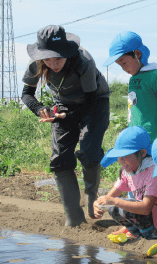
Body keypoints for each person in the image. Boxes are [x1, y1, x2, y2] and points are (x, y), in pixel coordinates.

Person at [21, 25, 110, 226]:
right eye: (48, 59)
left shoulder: (83, 61)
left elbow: (89, 100)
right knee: (59, 159)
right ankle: (74, 220)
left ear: (67, 54)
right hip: (63, 106)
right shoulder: (36, 64)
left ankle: (91, 200)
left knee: (89, 150)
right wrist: (40, 109)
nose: (53, 64)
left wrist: (66, 115)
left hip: (95, 103)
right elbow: (26, 94)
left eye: (58, 59)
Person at [93, 126, 157, 240]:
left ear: (142, 153)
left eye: (126, 155)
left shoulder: (154, 171)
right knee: (113, 208)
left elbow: (145, 208)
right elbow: (109, 197)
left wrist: (114, 201)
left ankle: (152, 237)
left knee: (121, 206)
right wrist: (99, 204)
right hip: (152, 217)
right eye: (119, 156)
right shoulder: (129, 171)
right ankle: (137, 234)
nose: (121, 160)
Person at [102, 31, 157, 141]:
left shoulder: (155, 76)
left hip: (152, 138)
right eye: (119, 65)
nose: (123, 68)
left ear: (137, 54)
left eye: (124, 63)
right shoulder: (133, 78)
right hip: (134, 138)